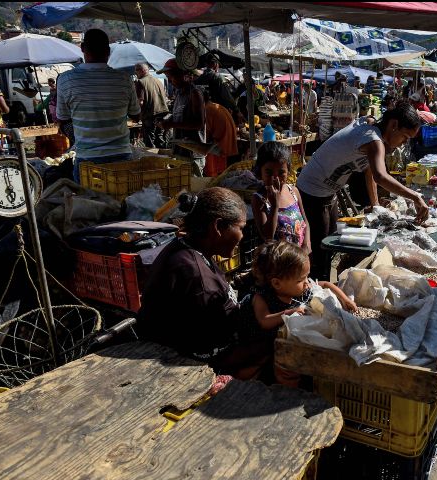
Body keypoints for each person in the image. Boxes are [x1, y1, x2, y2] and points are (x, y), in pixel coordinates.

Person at [137, 187, 265, 379]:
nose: (242, 236)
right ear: (218, 227)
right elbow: (211, 351)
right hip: (185, 360)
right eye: (241, 228)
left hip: (191, 340)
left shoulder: (186, 246)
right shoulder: (197, 278)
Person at [297, 101, 429, 276]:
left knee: (332, 245)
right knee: (320, 250)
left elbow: (370, 173)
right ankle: (315, 291)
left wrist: (376, 206)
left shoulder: (373, 131)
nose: (404, 143)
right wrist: (415, 197)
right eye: (405, 137)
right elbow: (380, 176)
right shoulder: (373, 139)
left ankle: (325, 285)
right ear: (394, 125)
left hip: (329, 192)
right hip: (311, 192)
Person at [246, 239, 357, 385]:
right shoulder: (261, 297)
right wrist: (291, 311)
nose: (307, 282)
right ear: (277, 283)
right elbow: (265, 321)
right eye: (301, 279)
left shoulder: (301, 289)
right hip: (267, 348)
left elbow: (325, 284)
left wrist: (345, 299)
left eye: (307, 276)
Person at [55, 29, 140, 183]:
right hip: (121, 157)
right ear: (108, 51)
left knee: (90, 202)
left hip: (88, 159)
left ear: (82, 48)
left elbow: (62, 118)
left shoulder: (66, 80)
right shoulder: (125, 80)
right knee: (123, 204)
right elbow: (136, 115)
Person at [251, 141, 310, 252]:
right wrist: (274, 206)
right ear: (260, 171)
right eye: (269, 172)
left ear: (288, 171)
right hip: (277, 262)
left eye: (281, 172)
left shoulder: (293, 191)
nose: (275, 178)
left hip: (300, 255)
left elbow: (305, 222)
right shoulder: (259, 199)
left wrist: (306, 246)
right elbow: (267, 236)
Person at [156, 58, 206, 176]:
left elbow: (198, 123)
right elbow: (178, 116)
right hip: (180, 151)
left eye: (171, 77)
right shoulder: (179, 93)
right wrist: (166, 121)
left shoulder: (194, 93)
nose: (169, 80)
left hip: (193, 153)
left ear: (182, 75)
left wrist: (172, 124)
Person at [194, 54, 241, 121]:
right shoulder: (217, 77)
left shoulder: (198, 79)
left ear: (206, 64)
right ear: (216, 64)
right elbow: (227, 96)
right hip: (218, 113)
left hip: (203, 114)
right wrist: (236, 110)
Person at [203, 89, 238, 176]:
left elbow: (205, 135)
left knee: (203, 152)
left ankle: (212, 176)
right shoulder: (214, 105)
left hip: (222, 143)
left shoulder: (207, 109)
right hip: (228, 142)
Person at [134, 62, 169, 149]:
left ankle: (153, 161)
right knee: (160, 139)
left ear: (142, 70)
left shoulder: (140, 82)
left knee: (149, 142)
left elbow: (140, 102)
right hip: (163, 114)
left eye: (136, 70)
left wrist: (137, 116)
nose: (135, 73)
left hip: (150, 115)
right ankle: (163, 161)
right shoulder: (158, 81)